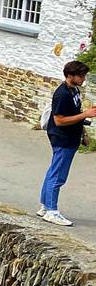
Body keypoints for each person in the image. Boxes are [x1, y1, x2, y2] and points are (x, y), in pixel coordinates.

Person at [39, 60, 96, 226]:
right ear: (70, 75)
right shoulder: (62, 94)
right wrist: (86, 114)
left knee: (53, 171)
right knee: (58, 176)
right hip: (62, 138)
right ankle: (51, 210)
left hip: (71, 137)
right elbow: (60, 120)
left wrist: (83, 134)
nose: (83, 79)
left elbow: (76, 113)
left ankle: (44, 206)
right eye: (81, 75)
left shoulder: (74, 91)